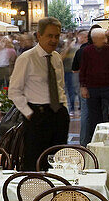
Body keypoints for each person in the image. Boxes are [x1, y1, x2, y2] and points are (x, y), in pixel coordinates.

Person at [9, 17, 69, 171]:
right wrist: (29, 113)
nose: (54, 40)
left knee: (58, 161)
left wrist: (64, 108)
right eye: (50, 36)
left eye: (57, 36)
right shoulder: (26, 59)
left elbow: (60, 86)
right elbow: (14, 91)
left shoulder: (56, 58)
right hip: (37, 116)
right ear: (39, 36)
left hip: (58, 114)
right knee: (35, 162)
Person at [77, 27, 109, 146]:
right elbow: (83, 69)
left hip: (108, 87)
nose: (103, 40)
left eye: (103, 38)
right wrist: (83, 86)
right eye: (100, 38)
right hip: (92, 87)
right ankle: (96, 141)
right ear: (94, 39)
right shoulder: (87, 51)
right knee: (94, 116)